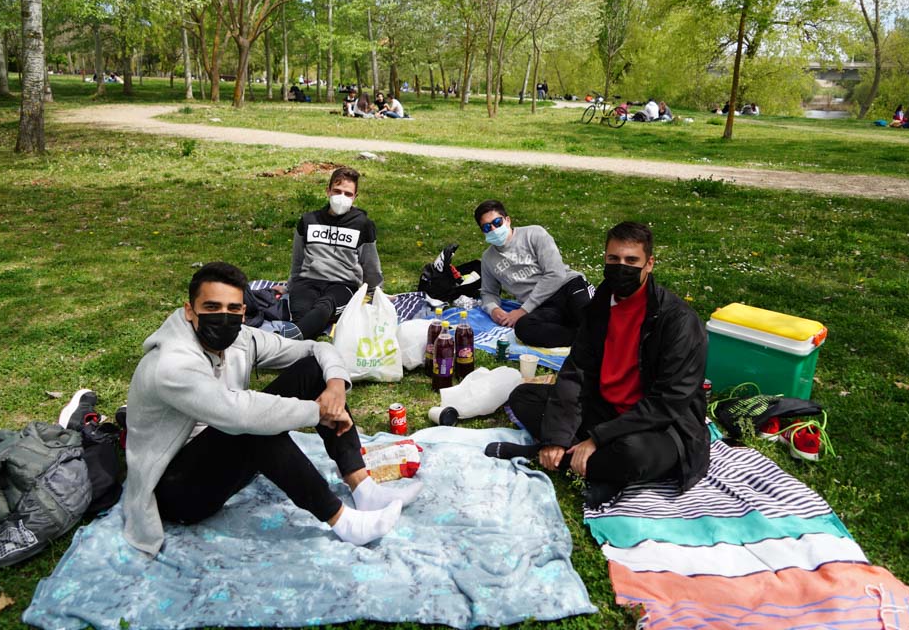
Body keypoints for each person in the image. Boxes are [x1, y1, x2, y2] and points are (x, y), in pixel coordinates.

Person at [122, 262, 421, 556]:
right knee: (251, 423)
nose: (223, 318)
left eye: (232, 309)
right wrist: (318, 412)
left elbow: (316, 349)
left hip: (222, 455)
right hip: (177, 492)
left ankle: (362, 487)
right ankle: (342, 520)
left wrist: (336, 386)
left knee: (312, 371)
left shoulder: (241, 338)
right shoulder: (171, 364)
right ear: (190, 311)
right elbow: (238, 414)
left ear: (243, 311)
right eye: (211, 308)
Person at [485, 222, 710, 507]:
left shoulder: (678, 321)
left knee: (633, 454)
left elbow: (669, 401)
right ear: (604, 258)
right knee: (524, 397)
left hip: (658, 425)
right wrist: (556, 436)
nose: (621, 267)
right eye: (613, 259)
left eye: (631, 261)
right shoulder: (598, 308)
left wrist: (597, 439)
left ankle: (551, 455)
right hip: (605, 407)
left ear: (649, 264)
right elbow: (576, 372)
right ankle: (577, 459)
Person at [474, 200, 591, 349]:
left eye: (497, 222)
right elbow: (488, 292)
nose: (493, 229)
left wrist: (523, 310)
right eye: (486, 227)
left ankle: (588, 333)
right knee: (523, 328)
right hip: (543, 308)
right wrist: (494, 310)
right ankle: (583, 337)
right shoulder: (488, 258)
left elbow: (556, 273)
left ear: (507, 220)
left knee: (592, 315)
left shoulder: (534, 233)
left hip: (568, 287)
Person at [288, 167, 383, 340]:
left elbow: (371, 264)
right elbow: (297, 260)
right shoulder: (308, 220)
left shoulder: (363, 225)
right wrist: (290, 285)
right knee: (301, 312)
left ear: (355, 197)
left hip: (343, 285)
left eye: (348, 194)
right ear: (328, 191)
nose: (342, 197)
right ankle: (299, 343)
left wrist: (375, 293)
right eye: (337, 191)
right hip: (308, 281)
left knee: (325, 306)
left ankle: (285, 341)